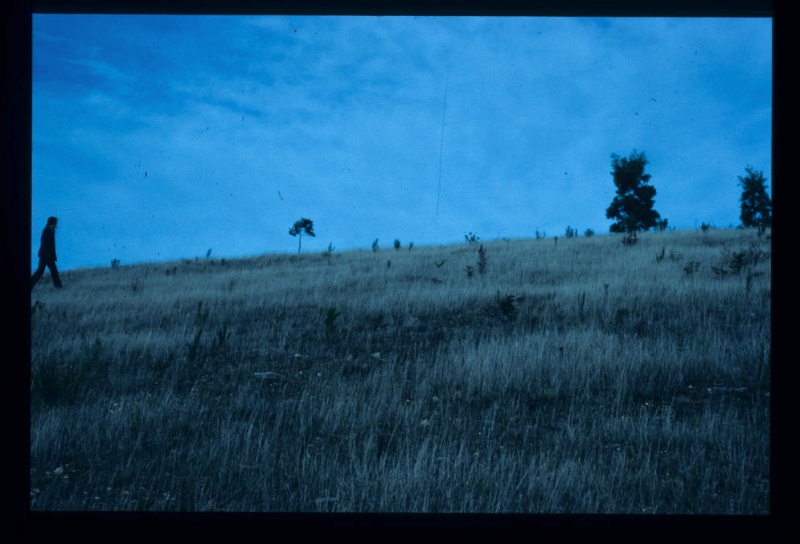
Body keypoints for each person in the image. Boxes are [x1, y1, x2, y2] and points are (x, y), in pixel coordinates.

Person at [31, 216, 63, 290]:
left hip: (47, 256)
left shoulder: (50, 230)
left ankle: (59, 287)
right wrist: (49, 256)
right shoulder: (47, 231)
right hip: (46, 256)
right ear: (52, 223)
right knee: (42, 272)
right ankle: (59, 287)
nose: (56, 225)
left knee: (50, 272)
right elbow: (45, 244)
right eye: (55, 223)